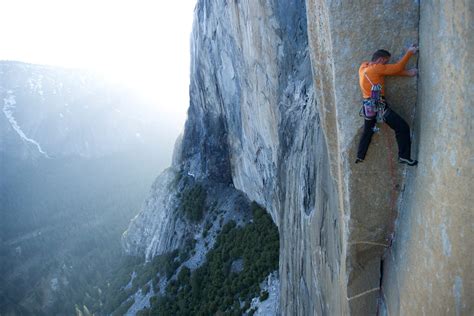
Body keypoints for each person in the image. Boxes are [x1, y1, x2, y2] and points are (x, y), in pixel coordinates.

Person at [355, 44, 419, 166]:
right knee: (402, 127)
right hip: (379, 104)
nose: (385, 65)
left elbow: (389, 72)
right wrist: (409, 52)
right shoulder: (377, 68)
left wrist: (407, 73)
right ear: (380, 60)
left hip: (367, 106)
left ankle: (360, 155)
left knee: (367, 130)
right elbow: (397, 68)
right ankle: (404, 156)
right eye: (385, 62)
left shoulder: (363, 67)